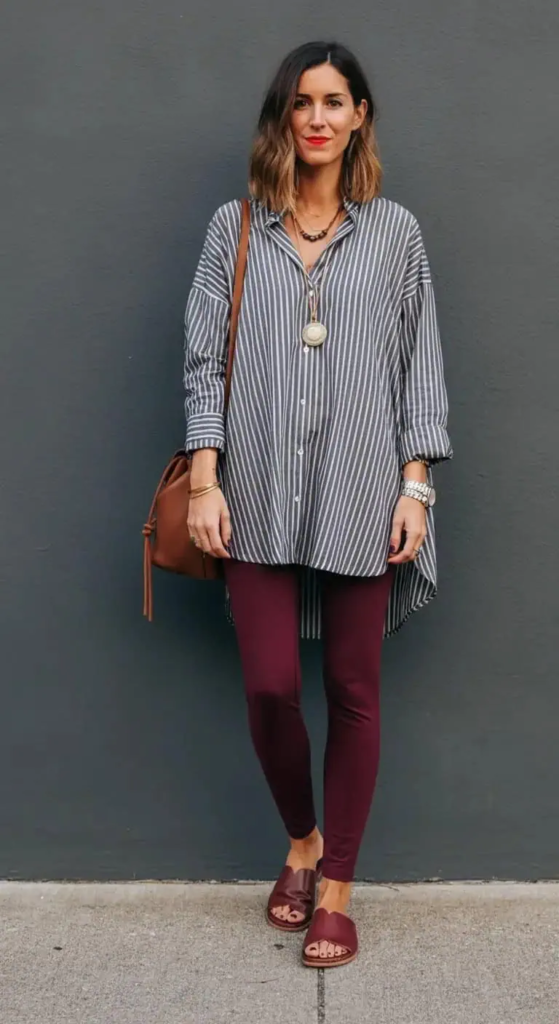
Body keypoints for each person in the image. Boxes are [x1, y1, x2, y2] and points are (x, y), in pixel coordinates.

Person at [183, 40, 453, 969]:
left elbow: (420, 364)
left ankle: (335, 887)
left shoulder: (395, 233)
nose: (317, 118)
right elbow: (202, 363)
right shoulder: (235, 229)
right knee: (269, 685)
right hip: (252, 489)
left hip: (361, 488)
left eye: (335, 101)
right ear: (282, 115)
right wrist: (206, 479)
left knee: (352, 689)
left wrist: (415, 486)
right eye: (302, 102)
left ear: (359, 116)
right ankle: (301, 839)